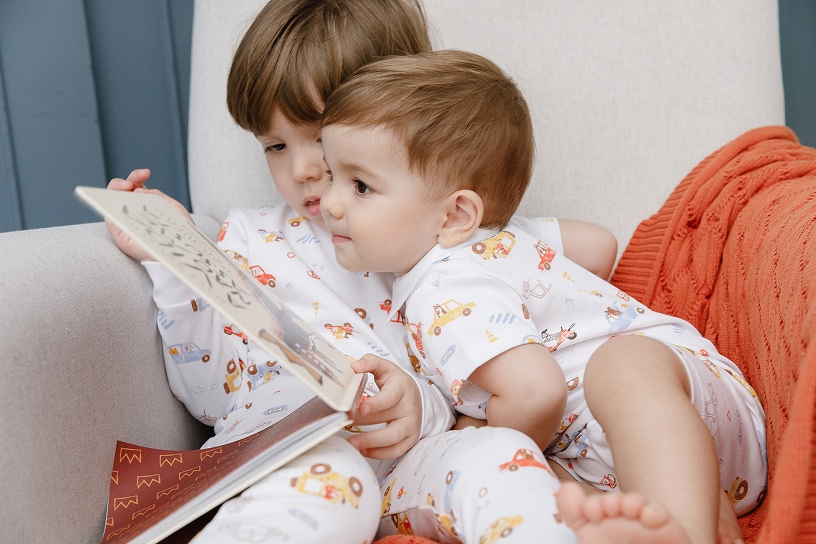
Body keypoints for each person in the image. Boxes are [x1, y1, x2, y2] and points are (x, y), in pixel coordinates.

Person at [105, 1, 616, 542]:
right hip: (292, 456)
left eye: (320, 137)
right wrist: (174, 259)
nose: (302, 169)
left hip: (408, 462)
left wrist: (421, 406)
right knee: (338, 483)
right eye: (275, 146)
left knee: (505, 452)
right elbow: (211, 395)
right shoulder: (250, 239)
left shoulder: (442, 231)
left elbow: (589, 250)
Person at [318, 49, 768, 544]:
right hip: (645, 464)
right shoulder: (498, 238)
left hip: (684, 406)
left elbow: (536, 392)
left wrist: (474, 433)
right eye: (331, 174)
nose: (330, 203)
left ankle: (682, 530)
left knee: (621, 364)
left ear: (454, 215)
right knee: (553, 490)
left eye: (360, 186)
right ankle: (692, 515)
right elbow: (599, 245)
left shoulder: (441, 286)